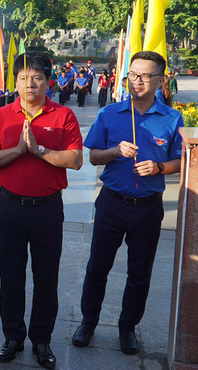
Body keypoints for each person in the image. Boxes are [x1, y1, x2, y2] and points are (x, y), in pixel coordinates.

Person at [72, 51, 183, 355]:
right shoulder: (110, 114)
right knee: (98, 267)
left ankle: (127, 327)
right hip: (112, 202)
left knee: (139, 272)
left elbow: (179, 161)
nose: (137, 82)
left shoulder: (172, 119)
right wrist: (115, 151)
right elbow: (93, 156)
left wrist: (159, 167)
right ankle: (88, 322)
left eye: (145, 76)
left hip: (148, 206)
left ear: (160, 80)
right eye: (133, 74)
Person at [0, 52, 83, 370]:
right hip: (11, 206)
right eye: (23, 77)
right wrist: (18, 150)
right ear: (15, 82)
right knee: (11, 276)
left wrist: (39, 150)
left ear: (47, 81)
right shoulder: (2, 116)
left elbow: (75, 160)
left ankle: (42, 340)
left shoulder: (63, 116)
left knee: (46, 277)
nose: (30, 83)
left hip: (48, 209)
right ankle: (12, 337)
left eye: (36, 77)